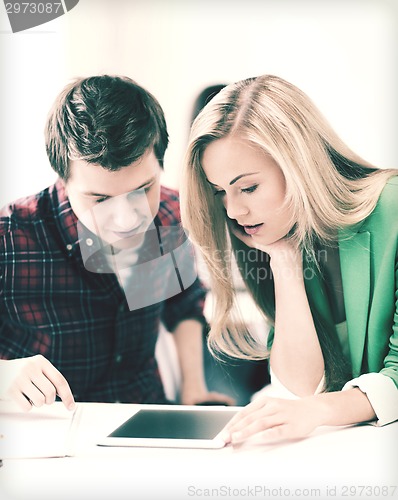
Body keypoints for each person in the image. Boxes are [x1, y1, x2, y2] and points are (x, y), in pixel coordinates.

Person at [181, 74, 398, 444]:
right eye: (220, 192)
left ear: (300, 165)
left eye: (248, 187)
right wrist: (283, 260)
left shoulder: (392, 210)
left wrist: (319, 411)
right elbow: (300, 388)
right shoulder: (280, 234)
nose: (233, 210)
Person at [0, 75, 234, 412]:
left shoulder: (169, 213)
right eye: (100, 199)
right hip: (49, 436)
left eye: (142, 189)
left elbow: (182, 302)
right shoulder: (11, 239)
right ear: (63, 179)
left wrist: (193, 390)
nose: (128, 219)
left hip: (148, 416)